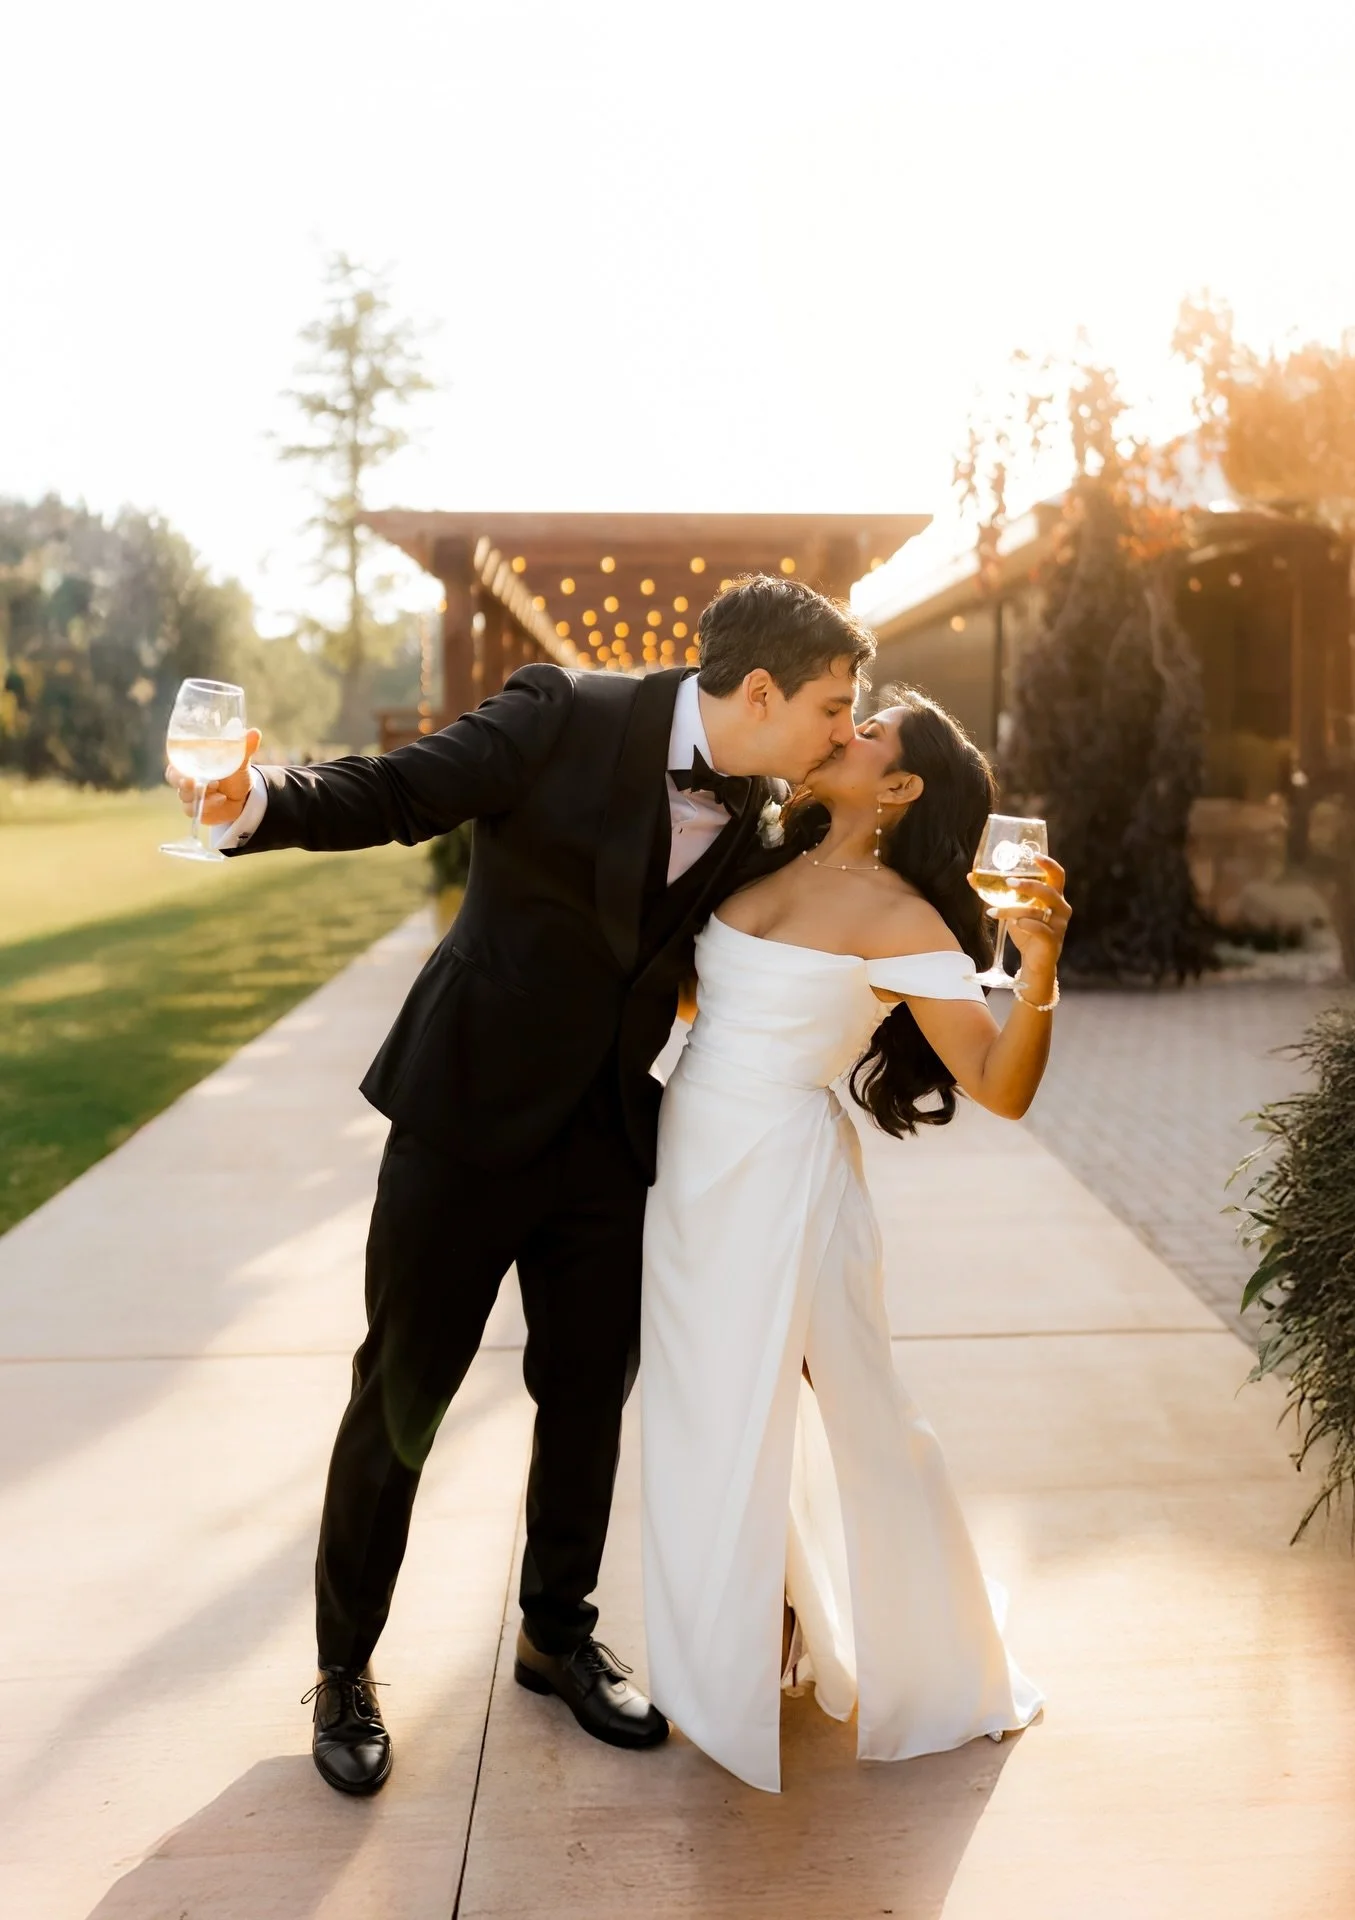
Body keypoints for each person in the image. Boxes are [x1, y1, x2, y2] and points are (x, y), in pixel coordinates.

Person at [165, 575, 870, 1795]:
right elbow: (395, 792)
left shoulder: (759, 810)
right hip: (464, 1114)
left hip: (607, 1137)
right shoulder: (562, 711)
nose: (842, 734)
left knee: (588, 1393)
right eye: (832, 707)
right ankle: (343, 1669)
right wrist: (254, 799)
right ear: (759, 693)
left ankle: (557, 1631)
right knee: (402, 1395)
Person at [640, 687, 1070, 1792]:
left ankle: (935, 1653)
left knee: (851, 1411)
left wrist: (1041, 971)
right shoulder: (751, 854)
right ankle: (758, 1626)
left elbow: (998, 1086)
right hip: (690, 1167)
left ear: (902, 785)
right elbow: (692, 1000)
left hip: (789, 1177)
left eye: (869, 727)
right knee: (706, 1416)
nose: (844, 728)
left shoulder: (905, 921)